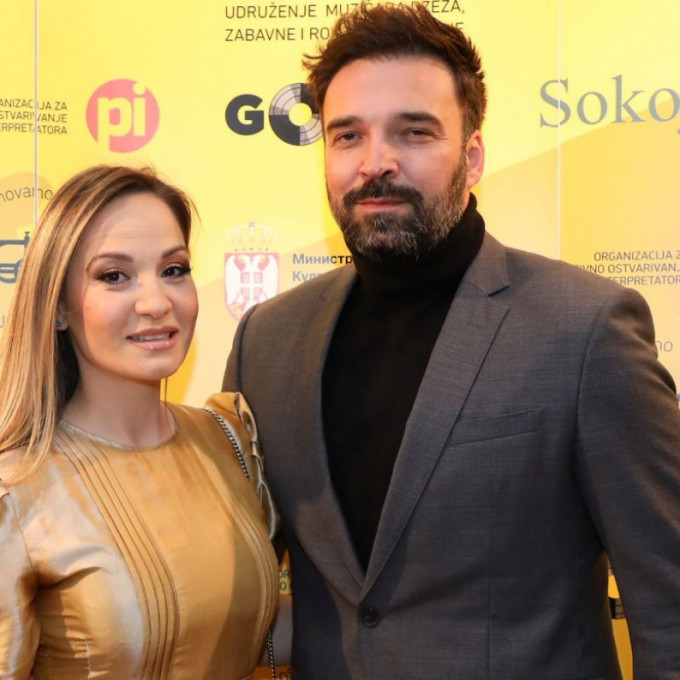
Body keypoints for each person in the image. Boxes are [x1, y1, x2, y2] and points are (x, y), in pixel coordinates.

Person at [223, 3, 680, 679]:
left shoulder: (585, 330)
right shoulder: (267, 341)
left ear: (472, 156)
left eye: (414, 132)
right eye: (348, 136)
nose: (376, 163)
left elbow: (669, 601)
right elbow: (241, 587)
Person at [0, 166, 279, 679]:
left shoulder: (228, 439)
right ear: (57, 306)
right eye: (114, 276)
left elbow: (253, 633)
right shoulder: (17, 491)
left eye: (173, 269)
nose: (156, 303)